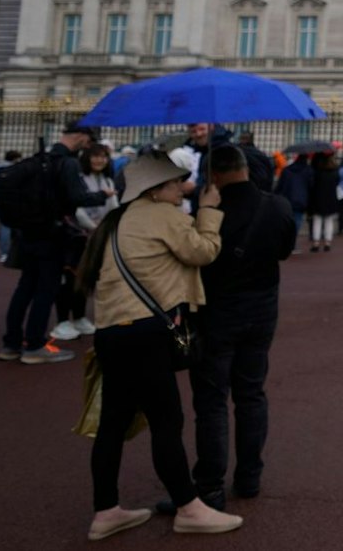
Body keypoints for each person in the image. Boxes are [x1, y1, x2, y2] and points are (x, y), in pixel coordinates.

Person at [79, 151, 242, 540]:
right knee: (166, 422)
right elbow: (203, 251)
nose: (180, 188)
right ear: (153, 190)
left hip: (112, 331)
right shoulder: (162, 215)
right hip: (146, 333)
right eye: (174, 183)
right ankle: (189, 508)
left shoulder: (118, 219)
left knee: (113, 424)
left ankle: (106, 510)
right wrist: (209, 211)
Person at [190, 144, 297, 510]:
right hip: (262, 310)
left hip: (216, 312)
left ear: (214, 175)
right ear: (246, 170)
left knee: (212, 401)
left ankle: (210, 485)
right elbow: (284, 251)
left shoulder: (209, 210)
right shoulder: (277, 206)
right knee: (251, 394)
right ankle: (249, 476)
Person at [0, 122, 95, 365]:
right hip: (52, 234)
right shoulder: (67, 163)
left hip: (28, 233)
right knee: (46, 289)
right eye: (88, 140)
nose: (88, 145)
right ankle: (34, 345)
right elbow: (78, 197)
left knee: (25, 288)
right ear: (80, 136)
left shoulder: (39, 160)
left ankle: (11, 344)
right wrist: (101, 195)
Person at [55, 144, 121, 342]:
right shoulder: (79, 178)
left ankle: (79, 316)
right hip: (78, 234)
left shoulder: (106, 180)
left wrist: (106, 226)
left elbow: (113, 206)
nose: (100, 160)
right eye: (96, 156)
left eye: (103, 157)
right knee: (70, 277)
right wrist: (93, 227)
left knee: (85, 277)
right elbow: (77, 207)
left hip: (97, 234)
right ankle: (62, 319)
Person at [307, 151, 342, 252]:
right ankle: (327, 243)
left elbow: (311, 186)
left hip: (317, 199)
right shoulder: (335, 171)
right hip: (331, 198)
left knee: (317, 221)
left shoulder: (316, 172)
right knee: (329, 221)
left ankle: (316, 243)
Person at [274, 153, 312, 247]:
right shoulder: (308, 170)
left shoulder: (287, 169)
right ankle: (292, 243)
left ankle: (284, 241)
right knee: (297, 222)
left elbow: (280, 185)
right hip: (301, 199)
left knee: (286, 221)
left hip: (287, 198)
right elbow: (310, 186)